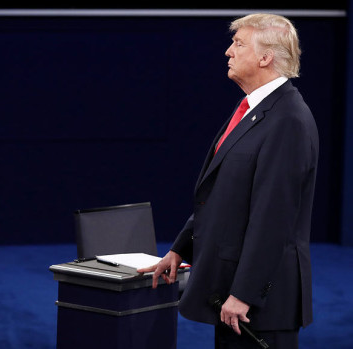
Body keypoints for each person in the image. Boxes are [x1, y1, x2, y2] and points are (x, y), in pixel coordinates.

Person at [138, 13, 318, 348]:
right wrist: (180, 249)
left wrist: (244, 294)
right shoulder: (253, 109)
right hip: (230, 290)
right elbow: (221, 195)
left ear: (265, 58)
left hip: (259, 304)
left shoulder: (288, 120)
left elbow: (273, 218)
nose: (227, 52)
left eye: (238, 44)